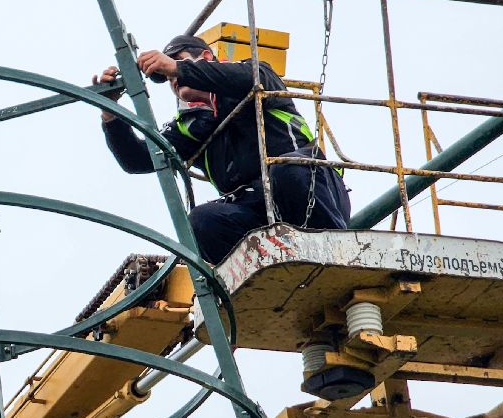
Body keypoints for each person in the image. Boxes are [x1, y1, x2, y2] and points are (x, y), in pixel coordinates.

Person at [94, 34, 350, 263]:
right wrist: (110, 113)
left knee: (286, 169)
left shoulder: (255, 75)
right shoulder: (192, 128)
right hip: (256, 209)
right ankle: (256, 277)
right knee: (201, 220)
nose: (173, 78)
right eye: (169, 76)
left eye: (179, 61)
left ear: (206, 57)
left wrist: (176, 68)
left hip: (311, 190)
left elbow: (245, 79)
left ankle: (336, 257)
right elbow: (137, 160)